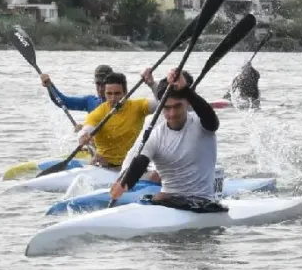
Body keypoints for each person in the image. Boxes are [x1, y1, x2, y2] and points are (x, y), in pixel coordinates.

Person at [109, 68, 223, 210]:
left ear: (187, 103)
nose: (172, 113)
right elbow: (140, 162)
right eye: (167, 108)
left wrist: (186, 90)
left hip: (202, 203)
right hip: (168, 200)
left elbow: (212, 120)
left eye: (177, 107)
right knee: (155, 197)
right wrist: (124, 182)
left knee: (160, 198)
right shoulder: (155, 135)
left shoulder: (202, 124)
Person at [77, 72, 157, 169]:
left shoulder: (138, 106)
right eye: (109, 94)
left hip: (132, 167)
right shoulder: (98, 113)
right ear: (104, 94)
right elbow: (86, 129)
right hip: (105, 167)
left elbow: (164, 104)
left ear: (125, 92)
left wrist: (152, 84)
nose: (113, 98)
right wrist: (82, 136)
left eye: (117, 93)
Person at [40, 64, 112, 114]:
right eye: (98, 84)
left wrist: (85, 128)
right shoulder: (90, 101)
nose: (100, 89)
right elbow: (62, 102)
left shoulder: (120, 104)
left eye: (104, 85)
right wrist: (50, 86)